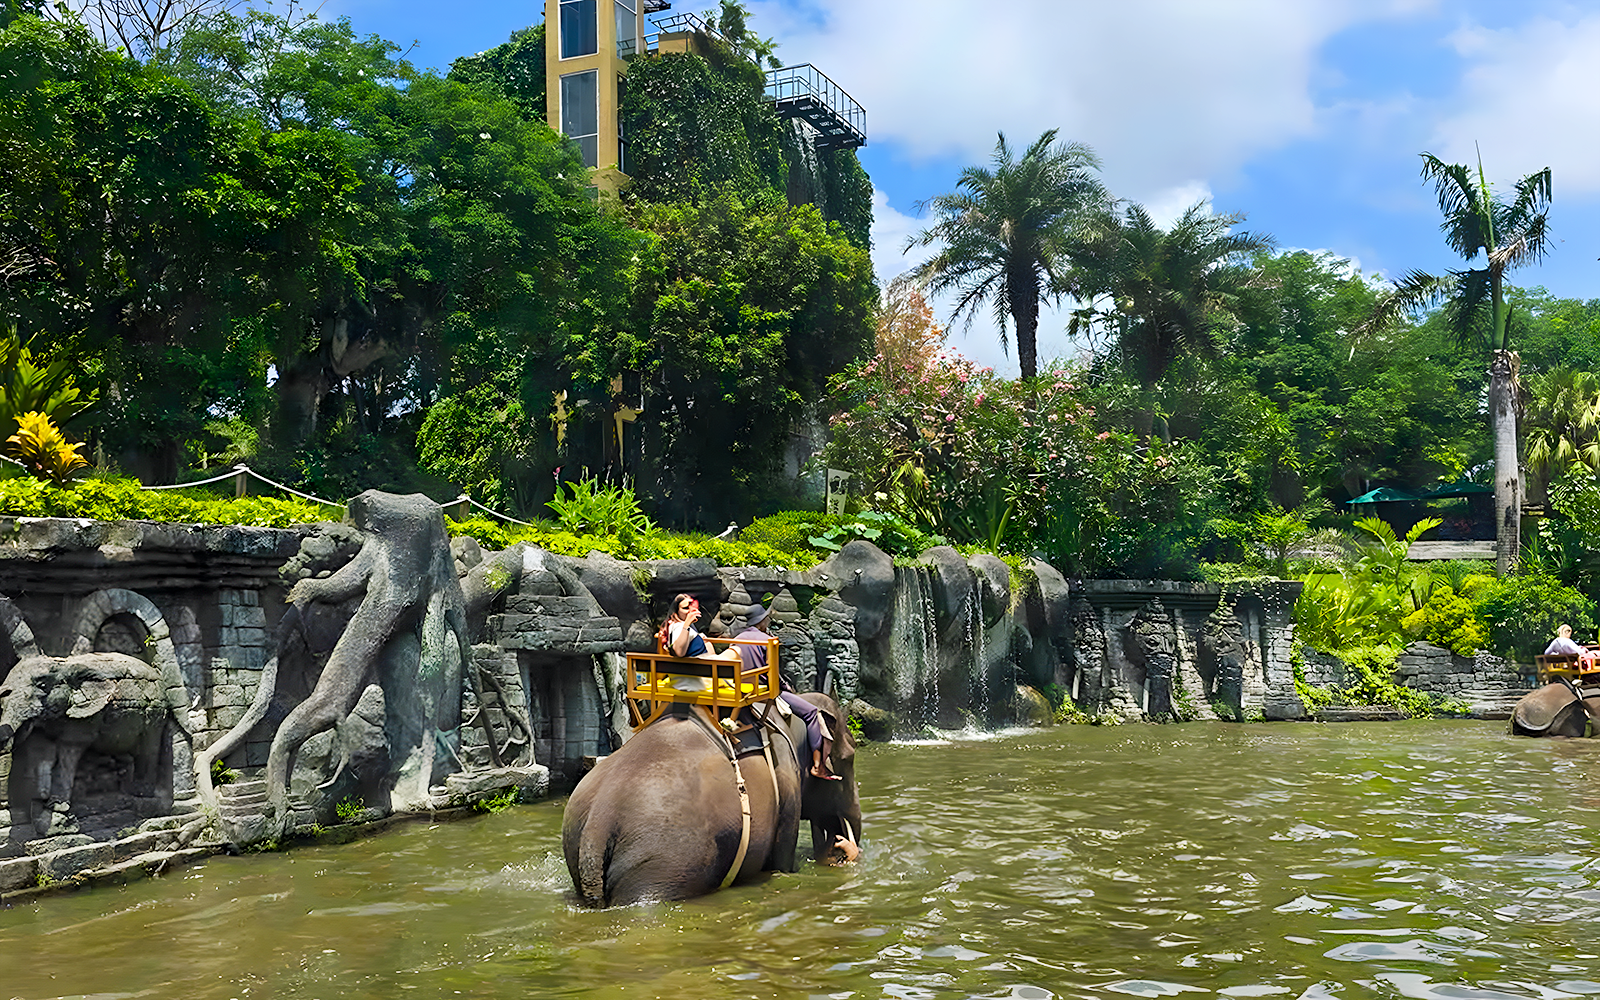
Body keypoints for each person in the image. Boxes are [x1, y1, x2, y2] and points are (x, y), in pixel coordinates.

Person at [734, 599, 840, 781]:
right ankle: (817, 765)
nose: (768, 622)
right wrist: (786, 688)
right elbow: (773, 674)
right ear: (761, 621)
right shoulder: (768, 640)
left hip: (740, 690)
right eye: (766, 619)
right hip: (764, 692)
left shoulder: (735, 639)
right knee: (812, 712)